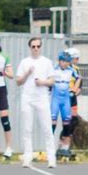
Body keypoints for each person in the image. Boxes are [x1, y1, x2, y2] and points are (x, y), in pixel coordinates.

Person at [16, 37, 56, 168]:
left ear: (41, 47)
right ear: (30, 48)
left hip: (42, 98)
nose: (36, 49)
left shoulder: (47, 62)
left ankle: (51, 158)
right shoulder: (24, 62)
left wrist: (42, 82)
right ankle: (27, 157)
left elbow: (52, 81)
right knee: (27, 129)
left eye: (38, 46)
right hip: (27, 97)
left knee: (47, 128)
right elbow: (18, 81)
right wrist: (27, 73)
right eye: (33, 47)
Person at [51, 52, 81, 158]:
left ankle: (65, 147)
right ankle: (52, 146)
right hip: (56, 97)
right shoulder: (54, 68)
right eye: (76, 58)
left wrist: (74, 90)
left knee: (70, 122)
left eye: (67, 61)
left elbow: (79, 81)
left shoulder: (74, 69)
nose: (77, 60)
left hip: (69, 98)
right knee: (53, 121)